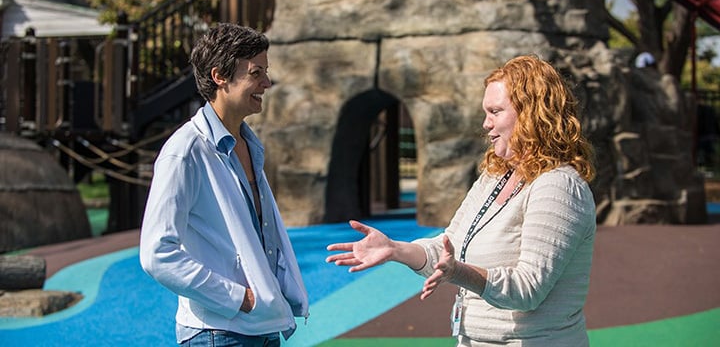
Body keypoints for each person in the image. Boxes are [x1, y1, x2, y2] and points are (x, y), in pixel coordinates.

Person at [327, 55, 596, 346]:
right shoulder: (495, 177)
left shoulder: (558, 185)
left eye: (495, 111)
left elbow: (527, 288)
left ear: (532, 113)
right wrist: (395, 249)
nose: (486, 123)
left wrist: (459, 272)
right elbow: (449, 247)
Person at [139, 23, 309, 347]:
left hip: (261, 327)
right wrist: (238, 297)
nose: (267, 83)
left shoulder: (248, 145)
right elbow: (156, 253)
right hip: (216, 334)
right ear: (220, 76)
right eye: (256, 73)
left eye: (266, 72)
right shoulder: (184, 152)